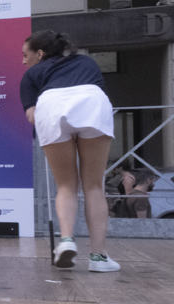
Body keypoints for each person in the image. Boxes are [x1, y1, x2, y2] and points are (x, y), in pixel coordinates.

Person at [21, 31, 119, 271]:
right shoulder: (86, 61)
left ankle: (66, 241)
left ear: (40, 54)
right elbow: (95, 89)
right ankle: (98, 257)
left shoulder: (30, 75)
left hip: (52, 106)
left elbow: (33, 116)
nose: (23, 60)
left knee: (66, 185)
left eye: (26, 55)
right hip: (91, 103)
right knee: (94, 186)